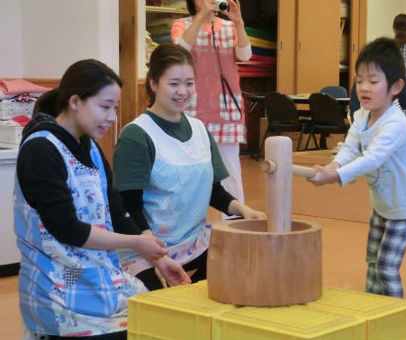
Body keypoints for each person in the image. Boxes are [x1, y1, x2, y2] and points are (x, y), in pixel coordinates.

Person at [15, 59, 190, 340]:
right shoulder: (40, 150)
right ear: (75, 101)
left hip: (96, 280)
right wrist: (136, 242)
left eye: (115, 108)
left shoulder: (91, 147)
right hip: (58, 291)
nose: (113, 118)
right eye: (105, 107)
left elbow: (117, 214)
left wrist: (158, 258)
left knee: (160, 322)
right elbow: (66, 229)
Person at [113, 43, 265, 289]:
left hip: (194, 243)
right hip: (145, 249)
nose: (182, 91)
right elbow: (127, 207)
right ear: (153, 84)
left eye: (189, 83)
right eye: (173, 84)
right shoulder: (137, 135)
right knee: (162, 307)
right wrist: (155, 255)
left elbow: (215, 192)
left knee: (248, 265)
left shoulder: (199, 130)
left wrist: (244, 210)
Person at [307, 38, 406, 298]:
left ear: (395, 86)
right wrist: (332, 166)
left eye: (373, 81)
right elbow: (350, 148)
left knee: (386, 268)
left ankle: (395, 321)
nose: (364, 88)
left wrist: (335, 176)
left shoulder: (394, 124)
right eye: (359, 80)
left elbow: (372, 158)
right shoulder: (361, 115)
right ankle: (372, 314)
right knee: (372, 261)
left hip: (404, 208)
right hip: (382, 205)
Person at [171, 0, 251, 215]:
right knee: (190, 169)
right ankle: (189, 223)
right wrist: (200, 18)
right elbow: (179, 51)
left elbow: (245, 55)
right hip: (193, 107)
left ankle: (235, 223)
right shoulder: (181, 24)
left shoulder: (228, 27)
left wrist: (239, 23)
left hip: (227, 108)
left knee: (231, 172)